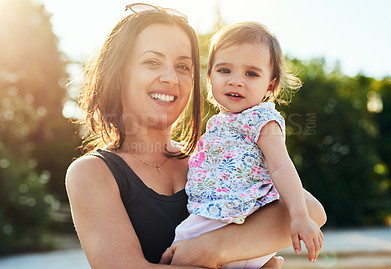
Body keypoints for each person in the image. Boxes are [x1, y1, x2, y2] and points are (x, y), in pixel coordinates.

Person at [65, 3, 326, 269]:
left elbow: (314, 212)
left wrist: (212, 249)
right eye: (152, 62)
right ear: (118, 73)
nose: (170, 78)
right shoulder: (93, 173)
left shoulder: (214, 161)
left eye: (183, 66)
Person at [169, 22, 324, 268]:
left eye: (251, 73)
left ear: (270, 86)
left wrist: (299, 216)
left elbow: (282, 166)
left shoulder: (261, 119)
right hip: (214, 216)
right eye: (224, 70)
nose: (236, 81)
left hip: (242, 219)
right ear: (209, 78)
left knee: (179, 253)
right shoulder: (219, 124)